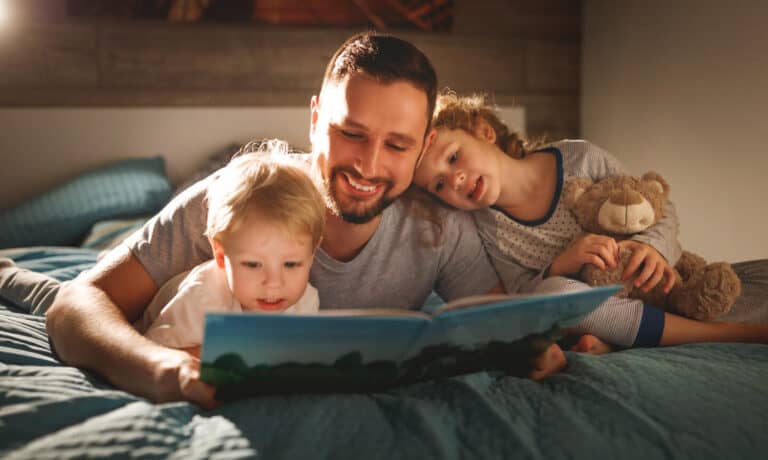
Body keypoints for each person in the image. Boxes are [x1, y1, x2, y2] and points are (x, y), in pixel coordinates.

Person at [40, 32, 559, 409]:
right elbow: (74, 305)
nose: (369, 165)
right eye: (350, 133)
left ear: (424, 145)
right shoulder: (243, 194)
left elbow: (502, 327)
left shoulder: (441, 225)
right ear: (315, 121)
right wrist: (159, 369)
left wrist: (531, 350)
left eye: (397, 145)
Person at [412, 90, 768, 353]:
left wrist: (651, 246)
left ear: (484, 132)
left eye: (454, 157)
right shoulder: (486, 227)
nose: (454, 180)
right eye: (439, 185)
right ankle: (720, 334)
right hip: (592, 305)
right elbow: (524, 294)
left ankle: (620, 338)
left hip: (649, 280)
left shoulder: (579, 158)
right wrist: (561, 265)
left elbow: (659, 208)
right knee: (557, 296)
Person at [135, 143, 324, 357]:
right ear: (221, 254)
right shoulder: (201, 299)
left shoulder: (306, 301)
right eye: (253, 264)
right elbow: (151, 357)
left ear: (312, 254)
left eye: (291, 264)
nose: (273, 283)